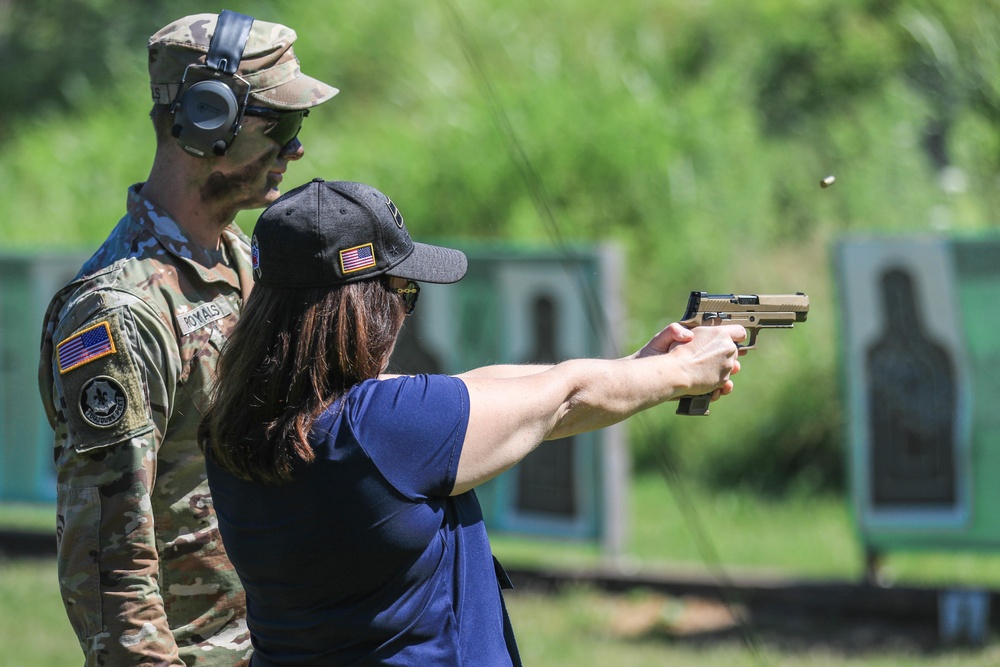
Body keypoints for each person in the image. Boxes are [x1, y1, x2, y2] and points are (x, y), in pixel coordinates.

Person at [200, 178, 747, 666]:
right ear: (360, 305)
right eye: (403, 293)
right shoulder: (382, 429)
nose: (403, 313)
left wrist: (632, 368)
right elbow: (562, 397)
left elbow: (483, 391)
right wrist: (683, 371)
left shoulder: (236, 427)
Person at [37, 11, 338, 666]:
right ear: (209, 123)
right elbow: (110, 556)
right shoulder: (119, 312)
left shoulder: (237, 258)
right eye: (282, 127)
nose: (296, 150)